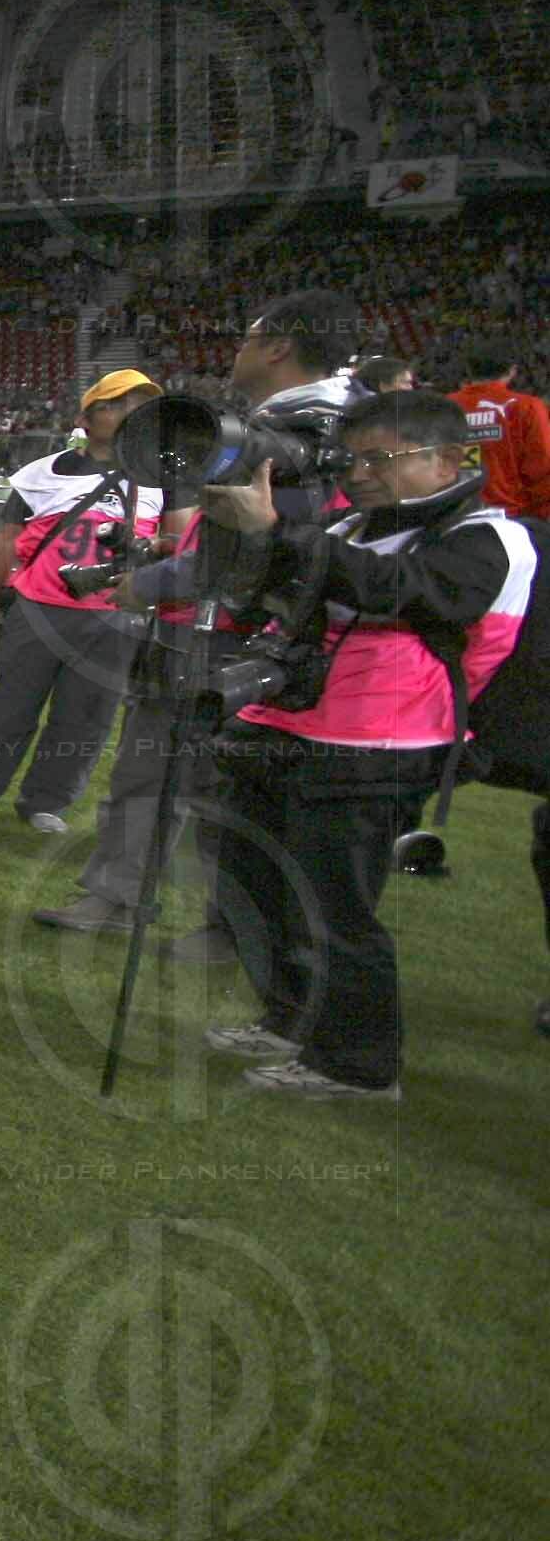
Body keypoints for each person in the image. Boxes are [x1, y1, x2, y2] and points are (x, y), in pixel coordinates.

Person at [194, 390, 536, 1101]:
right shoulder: (352, 524)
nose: (362, 472)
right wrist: (249, 537)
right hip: (290, 721)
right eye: (355, 458)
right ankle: (291, 1018)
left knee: (332, 906)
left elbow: (403, 590)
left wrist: (288, 537)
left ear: (448, 460)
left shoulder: (492, 539)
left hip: (378, 741)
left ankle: (358, 1064)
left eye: (380, 457)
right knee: (253, 881)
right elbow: (273, 596)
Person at [43, 293, 360, 943]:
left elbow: (258, 551)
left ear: (278, 346)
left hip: (225, 637)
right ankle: (208, 921)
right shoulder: (337, 426)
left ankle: (168, 912)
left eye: (248, 336)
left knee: (170, 779)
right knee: (212, 790)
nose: (237, 348)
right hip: (255, 639)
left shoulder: (299, 434)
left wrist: (148, 582)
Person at [0, 369, 165, 837]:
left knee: (85, 719)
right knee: (9, 710)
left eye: (138, 407)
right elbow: (6, 542)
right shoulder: (42, 473)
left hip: (115, 618)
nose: (127, 416)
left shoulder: (162, 477)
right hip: (39, 609)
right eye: (115, 405)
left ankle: (47, 800)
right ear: (86, 416)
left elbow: (179, 542)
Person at [451, 342, 550, 523]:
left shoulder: (444, 407)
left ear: (468, 369)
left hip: (455, 518)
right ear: (512, 370)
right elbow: (542, 465)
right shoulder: (526, 407)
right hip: (515, 517)